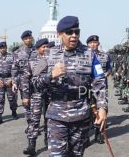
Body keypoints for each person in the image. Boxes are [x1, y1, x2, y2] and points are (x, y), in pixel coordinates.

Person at [23, 16, 107, 156]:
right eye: (69, 32)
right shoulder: (49, 54)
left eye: (76, 31)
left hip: (81, 115)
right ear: (59, 34)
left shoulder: (90, 54)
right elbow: (35, 84)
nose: (74, 35)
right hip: (56, 115)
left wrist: (102, 107)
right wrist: (51, 75)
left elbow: (100, 82)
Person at [22, 38, 50, 155]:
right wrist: (25, 96)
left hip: (50, 94)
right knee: (34, 120)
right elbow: (25, 79)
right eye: (43, 47)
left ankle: (49, 143)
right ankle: (31, 146)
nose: (46, 49)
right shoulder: (31, 61)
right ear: (38, 49)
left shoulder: (53, 60)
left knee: (49, 119)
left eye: (47, 47)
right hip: (36, 94)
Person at [86, 35, 112, 144]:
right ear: (88, 44)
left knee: (101, 109)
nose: (93, 44)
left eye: (95, 42)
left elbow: (110, 68)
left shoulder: (105, 56)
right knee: (87, 111)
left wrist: (106, 74)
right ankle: (85, 137)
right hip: (86, 87)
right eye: (91, 42)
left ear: (98, 44)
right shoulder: (84, 56)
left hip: (101, 87)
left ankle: (98, 134)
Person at [11, 30, 34, 133]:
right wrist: (14, 82)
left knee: (36, 105)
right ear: (23, 40)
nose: (28, 40)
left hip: (36, 82)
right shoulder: (18, 53)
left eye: (29, 38)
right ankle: (30, 124)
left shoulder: (37, 51)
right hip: (23, 82)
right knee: (26, 104)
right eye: (26, 39)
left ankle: (35, 125)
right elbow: (14, 69)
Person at [0, 41, 18, 125]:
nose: (3, 49)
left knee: (12, 98)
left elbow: (15, 70)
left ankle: (14, 112)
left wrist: (12, 80)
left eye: (4, 47)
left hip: (9, 79)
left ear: (6, 48)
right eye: (1, 48)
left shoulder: (12, 57)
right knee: (0, 99)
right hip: (0, 80)